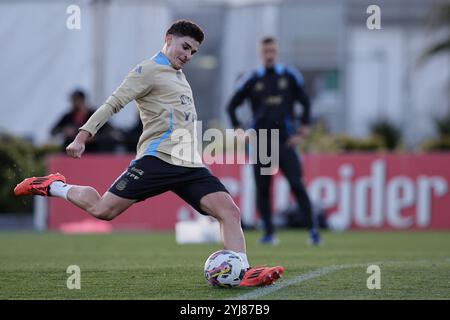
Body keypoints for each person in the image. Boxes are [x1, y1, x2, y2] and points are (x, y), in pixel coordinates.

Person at [14, 20, 284, 287]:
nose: (188, 55)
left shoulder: (179, 75)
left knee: (230, 211)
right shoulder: (147, 70)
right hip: (157, 160)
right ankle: (55, 185)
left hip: (190, 164)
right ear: (168, 38)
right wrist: (82, 136)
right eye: (185, 47)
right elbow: (113, 103)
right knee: (103, 210)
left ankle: (243, 271)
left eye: (193, 52)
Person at [226, 36, 321, 246]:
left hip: (285, 141)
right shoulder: (251, 78)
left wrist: (303, 130)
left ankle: (313, 231)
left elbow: (305, 102)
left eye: (272, 51)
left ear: (276, 52)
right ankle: (269, 233)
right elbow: (232, 105)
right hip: (260, 141)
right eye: (265, 51)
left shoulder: (289, 75)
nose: (269, 55)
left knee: (297, 185)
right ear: (261, 53)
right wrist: (239, 130)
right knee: (263, 188)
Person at [51, 89, 119, 153]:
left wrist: (93, 137)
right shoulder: (68, 116)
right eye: (73, 100)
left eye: (76, 100)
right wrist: (64, 130)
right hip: (74, 151)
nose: (73, 102)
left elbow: (110, 130)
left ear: (82, 100)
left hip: (93, 150)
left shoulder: (93, 114)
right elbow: (53, 131)